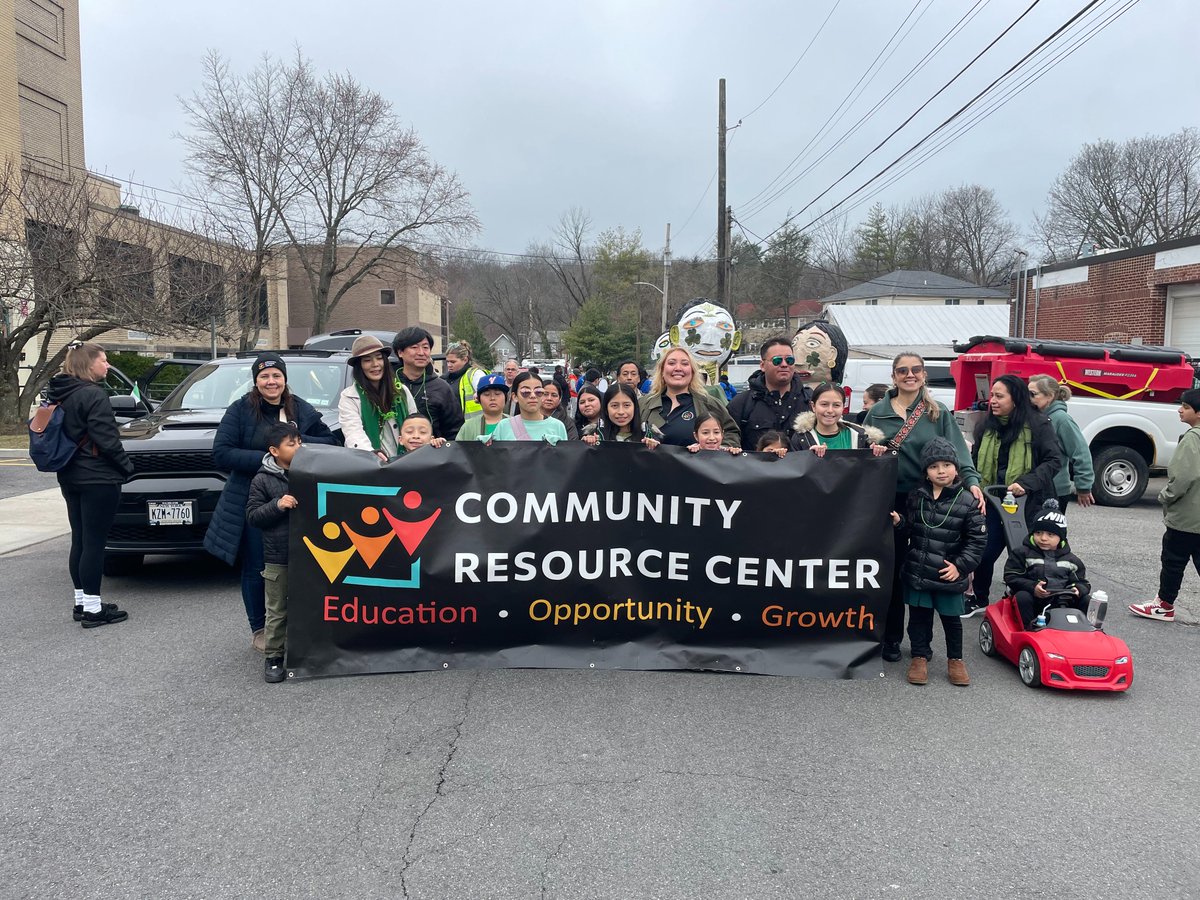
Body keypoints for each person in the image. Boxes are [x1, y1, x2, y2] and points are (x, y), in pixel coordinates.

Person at [205, 352, 335, 651]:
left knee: (299, 563)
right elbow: (221, 452)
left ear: (285, 379)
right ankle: (259, 629)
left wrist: (297, 446)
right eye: (264, 376)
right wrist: (268, 457)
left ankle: (297, 625)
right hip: (253, 493)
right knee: (256, 566)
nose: (271, 381)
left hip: (297, 497)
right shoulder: (240, 410)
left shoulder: (299, 408)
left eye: (276, 375)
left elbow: (330, 442)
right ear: (255, 381)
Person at [863, 351, 983, 663]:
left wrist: (971, 482)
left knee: (918, 570)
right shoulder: (877, 412)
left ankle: (921, 646)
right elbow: (861, 454)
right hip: (886, 500)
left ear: (924, 374)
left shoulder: (937, 412)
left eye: (916, 369)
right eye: (902, 370)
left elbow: (958, 452)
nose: (909, 375)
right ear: (893, 377)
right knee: (889, 572)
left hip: (929, 501)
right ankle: (890, 639)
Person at [46, 342, 135, 628]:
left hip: (69, 475)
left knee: (80, 539)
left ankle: (81, 602)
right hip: (98, 477)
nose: (107, 365)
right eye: (104, 360)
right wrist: (127, 467)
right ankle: (95, 610)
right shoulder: (93, 395)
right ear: (89, 364)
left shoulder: (58, 393)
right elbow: (106, 440)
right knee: (95, 544)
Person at [891, 437, 987, 686]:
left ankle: (956, 660)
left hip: (947, 574)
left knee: (951, 621)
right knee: (918, 619)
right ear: (926, 472)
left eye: (946, 465)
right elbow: (911, 529)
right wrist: (900, 523)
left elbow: (977, 542)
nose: (941, 471)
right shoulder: (917, 496)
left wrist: (960, 567)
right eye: (934, 466)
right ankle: (919, 657)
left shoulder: (969, 501)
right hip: (919, 570)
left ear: (956, 467)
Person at [967, 373, 1063, 618]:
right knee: (984, 552)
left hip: (1029, 504)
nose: (993, 401)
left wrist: (1026, 483)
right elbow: (976, 461)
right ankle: (978, 598)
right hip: (992, 501)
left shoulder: (1039, 424)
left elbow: (1054, 461)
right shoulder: (986, 426)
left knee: (1024, 556)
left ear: (1016, 399)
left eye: (999, 396)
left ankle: (1021, 601)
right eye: (992, 396)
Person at [1129, 388, 1200, 623]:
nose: (1180, 409)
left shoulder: (1193, 438)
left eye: (1186, 407)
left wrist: (1166, 496)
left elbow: (1183, 477)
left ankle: (1164, 605)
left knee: (1173, 560)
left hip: (1188, 514)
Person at [245, 421, 301, 683]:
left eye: (299, 442)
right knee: (277, 609)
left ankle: (310, 653)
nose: (298, 447)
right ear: (274, 451)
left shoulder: (310, 471)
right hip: (278, 557)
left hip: (312, 555)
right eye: (291, 444)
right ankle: (274, 658)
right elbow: (253, 516)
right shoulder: (262, 479)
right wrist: (278, 505)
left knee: (309, 604)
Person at [1004, 500, 1090, 629]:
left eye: (1050, 534)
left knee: (1086, 599)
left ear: (1061, 537)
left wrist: (1078, 589)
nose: (1043, 538)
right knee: (1023, 597)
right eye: (1038, 533)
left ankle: (1084, 629)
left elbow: (1083, 583)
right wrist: (1033, 587)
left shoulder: (1072, 561)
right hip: (1034, 600)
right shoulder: (1022, 553)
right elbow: (1011, 576)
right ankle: (1028, 630)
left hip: (1062, 603)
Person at [640, 346, 740, 449]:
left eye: (685, 363)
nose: (678, 368)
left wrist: (718, 449)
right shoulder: (643, 404)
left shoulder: (709, 404)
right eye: (671, 363)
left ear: (692, 372)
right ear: (661, 371)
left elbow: (731, 433)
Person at [726, 334, 812, 452]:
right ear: (762, 365)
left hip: (800, 469)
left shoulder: (811, 401)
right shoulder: (741, 404)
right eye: (777, 360)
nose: (784, 364)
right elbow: (728, 439)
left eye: (789, 360)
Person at [338, 334, 416, 461]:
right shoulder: (350, 397)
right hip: (369, 466)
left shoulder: (401, 391)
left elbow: (414, 423)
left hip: (404, 463)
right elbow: (353, 432)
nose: (375, 364)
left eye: (379, 358)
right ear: (359, 366)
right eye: (367, 360)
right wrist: (372, 454)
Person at [1028, 375, 1095, 509]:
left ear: (1050, 396)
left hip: (1055, 491)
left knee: (1048, 530)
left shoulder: (1062, 420)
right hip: (1032, 488)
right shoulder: (1032, 418)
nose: (1027, 398)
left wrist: (1083, 487)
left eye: (1032, 394)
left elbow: (1080, 453)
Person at [392, 327, 463, 440]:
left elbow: (455, 431)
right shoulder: (388, 384)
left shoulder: (442, 388)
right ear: (400, 352)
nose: (421, 353)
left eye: (425, 347)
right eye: (414, 347)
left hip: (431, 454)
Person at [790, 382, 887, 457]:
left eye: (836, 405)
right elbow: (794, 473)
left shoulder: (861, 436)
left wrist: (876, 454)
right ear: (813, 406)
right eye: (824, 404)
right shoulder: (800, 438)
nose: (830, 410)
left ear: (843, 407)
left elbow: (869, 473)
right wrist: (808, 457)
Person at [488, 371, 568, 444]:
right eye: (525, 392)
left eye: (538, 392)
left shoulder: (557, 426)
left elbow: (565, 458)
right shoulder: (504, 426)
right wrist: (483, 446)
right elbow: (495, 457)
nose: (533, 396)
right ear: (514, 397)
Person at [581, 383, 661, 446]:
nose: (621, 412)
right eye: (614, 406)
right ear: (606, 408)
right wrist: (587, 445)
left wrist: (655, 448)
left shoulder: (648, 434)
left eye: (626, 405)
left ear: (635, 406)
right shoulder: (595, 434)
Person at [455, 374, 509, 443]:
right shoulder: (468, 427)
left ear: (505, 397)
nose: (492, 398)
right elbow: (458, 450)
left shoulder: (516, 424)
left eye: (497, 394)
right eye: (487, 394)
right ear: (478, 399)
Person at [445, 341, 488, 418]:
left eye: (453, 362)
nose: (449, 365)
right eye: (447, 362)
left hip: (474, 426)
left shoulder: (475, 374)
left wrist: (480, 393)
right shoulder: (445, 378)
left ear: (465, 360)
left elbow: (487, 390)